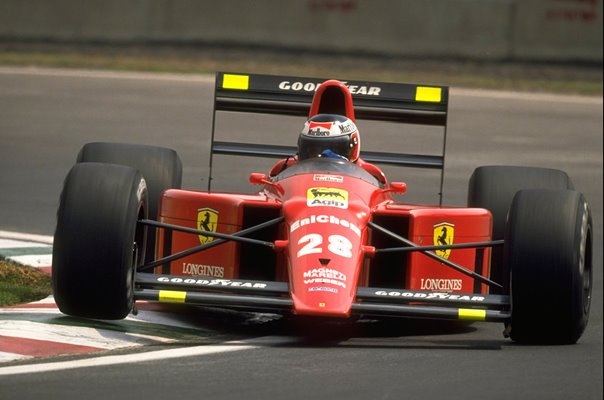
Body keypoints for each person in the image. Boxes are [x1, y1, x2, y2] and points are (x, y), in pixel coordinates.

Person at [269, 113, 387, 185]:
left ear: (353, 145)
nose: (320, 156)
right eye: (312, 149)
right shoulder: (284, 168)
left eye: (334, 150)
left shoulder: (371, 174)